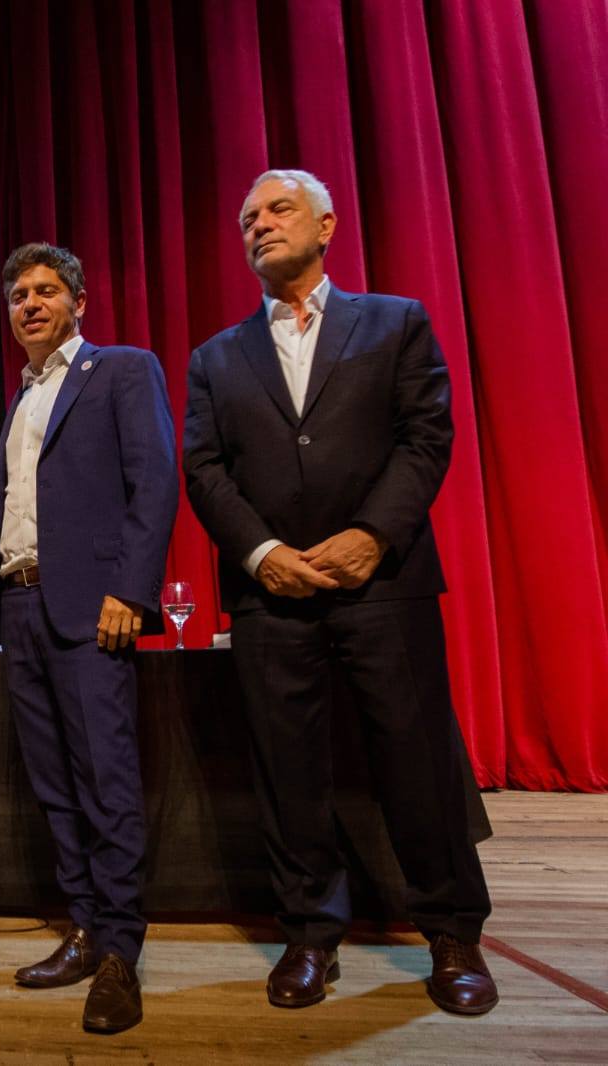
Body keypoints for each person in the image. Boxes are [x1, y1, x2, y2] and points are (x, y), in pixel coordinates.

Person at [183, 169, 496, 1015]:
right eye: (247, 218)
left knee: (417, 761)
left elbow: (427, 435)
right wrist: (261, 553)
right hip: (270, 596)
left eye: (277, 209)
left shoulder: (395, 321)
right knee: (288, 773)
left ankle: (451, 931)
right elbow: (203, 469)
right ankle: (309, 936)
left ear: (326, 226)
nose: (258, 224)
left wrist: (372, 535)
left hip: (384, 584)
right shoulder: (214, 357)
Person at [0, 243, 177, 1034]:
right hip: (20, 609)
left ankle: (120, 950)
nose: (30, 303)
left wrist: (132, 590)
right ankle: (85, 927)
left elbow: (155, 478)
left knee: (105, 780)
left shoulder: (120, 370)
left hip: (92, 609)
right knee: (53, 783)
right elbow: (8, 498)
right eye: (19, 293)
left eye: (46, 290)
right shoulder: (22, 399)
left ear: (78, 301)